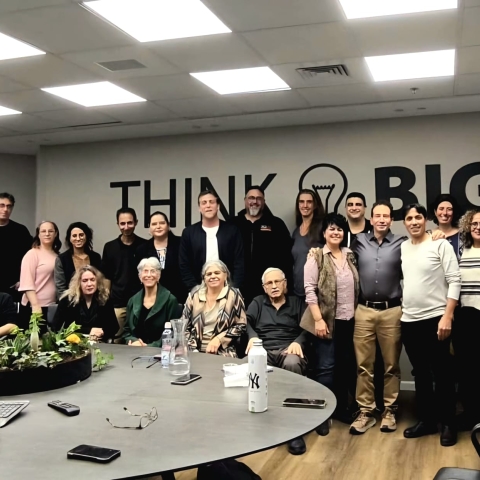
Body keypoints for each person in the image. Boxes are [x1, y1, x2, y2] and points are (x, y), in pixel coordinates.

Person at [401, 203, 460, 447]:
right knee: (421, 374)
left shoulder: (440, 244)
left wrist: (448, 315)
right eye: (409, 218)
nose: (414, 222)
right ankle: (426, 421)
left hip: (436, 319)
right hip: (409, 321)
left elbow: (454, 280)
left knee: (442, 373)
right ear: (404, 223)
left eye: (418, 217)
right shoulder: (404, 247)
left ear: (425, 219)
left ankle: (448, 424)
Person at [349, 200, 406, 435]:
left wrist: (435, 235)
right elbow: (337, 254)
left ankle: (389, 411)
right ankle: (366, 412)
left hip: (392, 311)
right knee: (364, 366)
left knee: (391, 365)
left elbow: (422, 246)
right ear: (371, 219)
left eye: (386, 216)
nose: (381, 219)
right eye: (377, 216)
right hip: (363, 311)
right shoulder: (358, 241)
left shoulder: (403, 243)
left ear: (391, 220)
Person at [302, 213, 359, 436]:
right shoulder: (316, 257)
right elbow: (309, 290)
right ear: (324, 233)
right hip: (326, 321)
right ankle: (322, 415)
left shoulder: (350, 255)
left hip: (349, 321)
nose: (336, 232)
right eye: (331, 229)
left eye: (339, 229)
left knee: (345, 367)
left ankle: (342, 409)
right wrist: (318, 320)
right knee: (326, 368)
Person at [246, 267, 308, 456]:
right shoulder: (258, 302)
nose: (273, 286)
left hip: (288, 348)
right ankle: (252, 425)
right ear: (264, 287)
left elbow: (309, 327)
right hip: (262, 348)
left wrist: (298, 342)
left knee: (292, 363)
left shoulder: (297, 303)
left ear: (285, 284)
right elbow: (245, 322)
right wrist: (252, 337)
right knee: (246, 365)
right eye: (269, 283)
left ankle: (293, 429)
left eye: (277, 282)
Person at [229, 186, 293, 305]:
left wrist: (286, 285)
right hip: (238, 288)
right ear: (245, 200)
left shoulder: (276, 224)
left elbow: (286, 258)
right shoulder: (233, 224)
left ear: (263, 201)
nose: (255, 201)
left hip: (268, 288)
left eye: (259, 198)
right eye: (251, 198)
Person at [179, 190, 244, 291]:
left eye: (211, 202)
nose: (208, 205)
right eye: (204, 203)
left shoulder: (232, 230)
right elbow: (184, 264)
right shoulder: (189, 233)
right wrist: (194, 288)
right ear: (199, 208)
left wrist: (234, 288)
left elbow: (239, 262)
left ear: (218, 206)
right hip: (198, 289)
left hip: (228, 289)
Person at [182, 260, 247, 356]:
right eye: (208, 274)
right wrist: (192, 348)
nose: (212, 276)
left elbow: (241, 325)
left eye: (217, 273)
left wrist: (219, 339)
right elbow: (183, 326)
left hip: (223, 351)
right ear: (204, 278)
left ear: (225, 275)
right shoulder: (194, 295)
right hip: (194, 350)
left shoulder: (234, 295)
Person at [102, 207, 147, 340]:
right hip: (117, 303)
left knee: (139, 339)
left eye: (129, 223)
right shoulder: (109, 247)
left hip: (140, 303)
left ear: (136, 222)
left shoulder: (145, 246)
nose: (126, 227)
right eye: (122, 223)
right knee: (116, 339)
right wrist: (106, 301)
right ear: (118, 224)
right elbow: (106, 277)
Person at [454, 209, 480, 430]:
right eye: (474, 224)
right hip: (466, 318)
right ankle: (471, 415)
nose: (478, 227)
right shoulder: (462, 250)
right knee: (467, 369)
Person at [123, 257, 179, 347]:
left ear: (158, 276)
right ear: (140, 276)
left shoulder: (170, 300)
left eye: (153, 271)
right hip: (135, 350)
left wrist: (149, 347)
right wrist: (134, 341)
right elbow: (126, 331)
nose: (149, 275)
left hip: (161, 351)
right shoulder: (132, 301)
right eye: (145, 271)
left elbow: (173, 332)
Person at [54, 265, 118, 342]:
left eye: (92, 280)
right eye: (85, 281)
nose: (89, 284)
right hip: (73, 343)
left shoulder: (105, 298)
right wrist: (88, 331)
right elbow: (57, 328)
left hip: (99, 342)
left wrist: (101, 332)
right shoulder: (67, 300)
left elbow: (114, 327)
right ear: (78, 283)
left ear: (97, 281)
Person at [135, 211, 187, 304]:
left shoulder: (181, 243)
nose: (158, 226)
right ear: (149, 228)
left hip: (180, 297)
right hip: (153, 300)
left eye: (162, 223)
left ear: (168, 225)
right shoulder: (142, 249)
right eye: (154, 224)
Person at [18, 221, 61, 329]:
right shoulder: (32, 254)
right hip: (34, 307)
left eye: (50, 231)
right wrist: (35, 305)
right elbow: (26, 282)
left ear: (55, 234)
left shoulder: (58, 255)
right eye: (43, 231)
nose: (47, 234)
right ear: (38, 234)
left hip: (51, 306)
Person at [291, 189, 324, 301]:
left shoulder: (322, 228)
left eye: (309, 202)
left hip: (317, 293)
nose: (305, 205)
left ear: (315, 205)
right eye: (301, 202)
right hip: (298, 291)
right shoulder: (296, 232)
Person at [54, 222, 102, 299]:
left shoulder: (96, 257)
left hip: (93, 302)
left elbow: (100, 282)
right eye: (74, 236)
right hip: (69, 302)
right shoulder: (62, 259)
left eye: (81, 235)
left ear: (87, 236)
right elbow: (60, 289)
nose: (78, 238)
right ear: (69, 238)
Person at [0, 192, 32, 301]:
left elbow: (29, 258)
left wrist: (22, 280)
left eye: (9, 206)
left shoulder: (20, 231)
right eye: (2, 205)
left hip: (13, 287)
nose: (5, 209)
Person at [429, 193, 464, 259]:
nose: (445, 213)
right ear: (435, 212)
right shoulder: (427, 235)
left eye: (449, 209)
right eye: (441, 209)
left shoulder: (464, 235)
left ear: (454, 212)